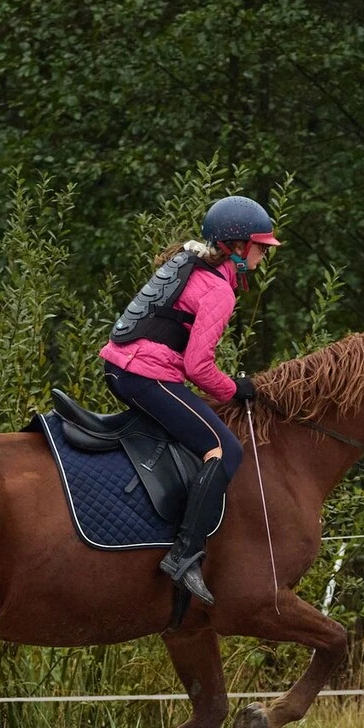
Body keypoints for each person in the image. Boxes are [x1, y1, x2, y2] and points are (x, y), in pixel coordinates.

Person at [99, 194, 279, 605]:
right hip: (145, 376)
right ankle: (184, 555)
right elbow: (199, 367)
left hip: (122, 367)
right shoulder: (218, 290)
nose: (263, 256)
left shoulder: (189, 263)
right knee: (223, 449)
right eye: (260, 247)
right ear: (237, 246)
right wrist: (235, 390)